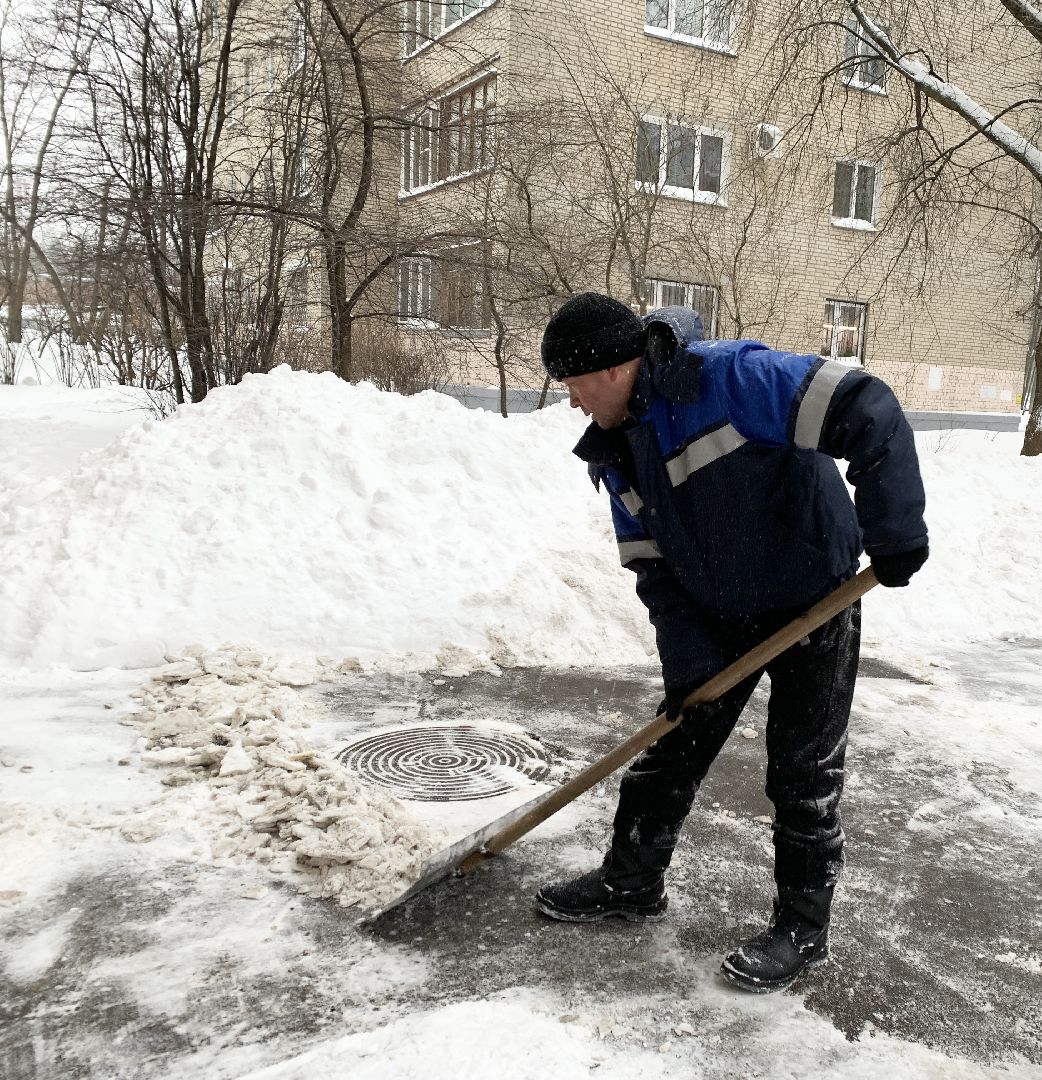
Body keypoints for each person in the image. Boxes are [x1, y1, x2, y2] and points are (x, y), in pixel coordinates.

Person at [535, 292, 928, 993]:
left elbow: (868, 407)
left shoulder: (729, 379)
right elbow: (653, 566)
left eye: (571, 385)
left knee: (803, 776)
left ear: (608, 369)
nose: (571, 404)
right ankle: (632, 883)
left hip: (814, 598)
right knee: (671, 748)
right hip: (719, 612)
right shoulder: (617, 449)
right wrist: (687, 664)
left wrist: (893, 527)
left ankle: (802, 931)